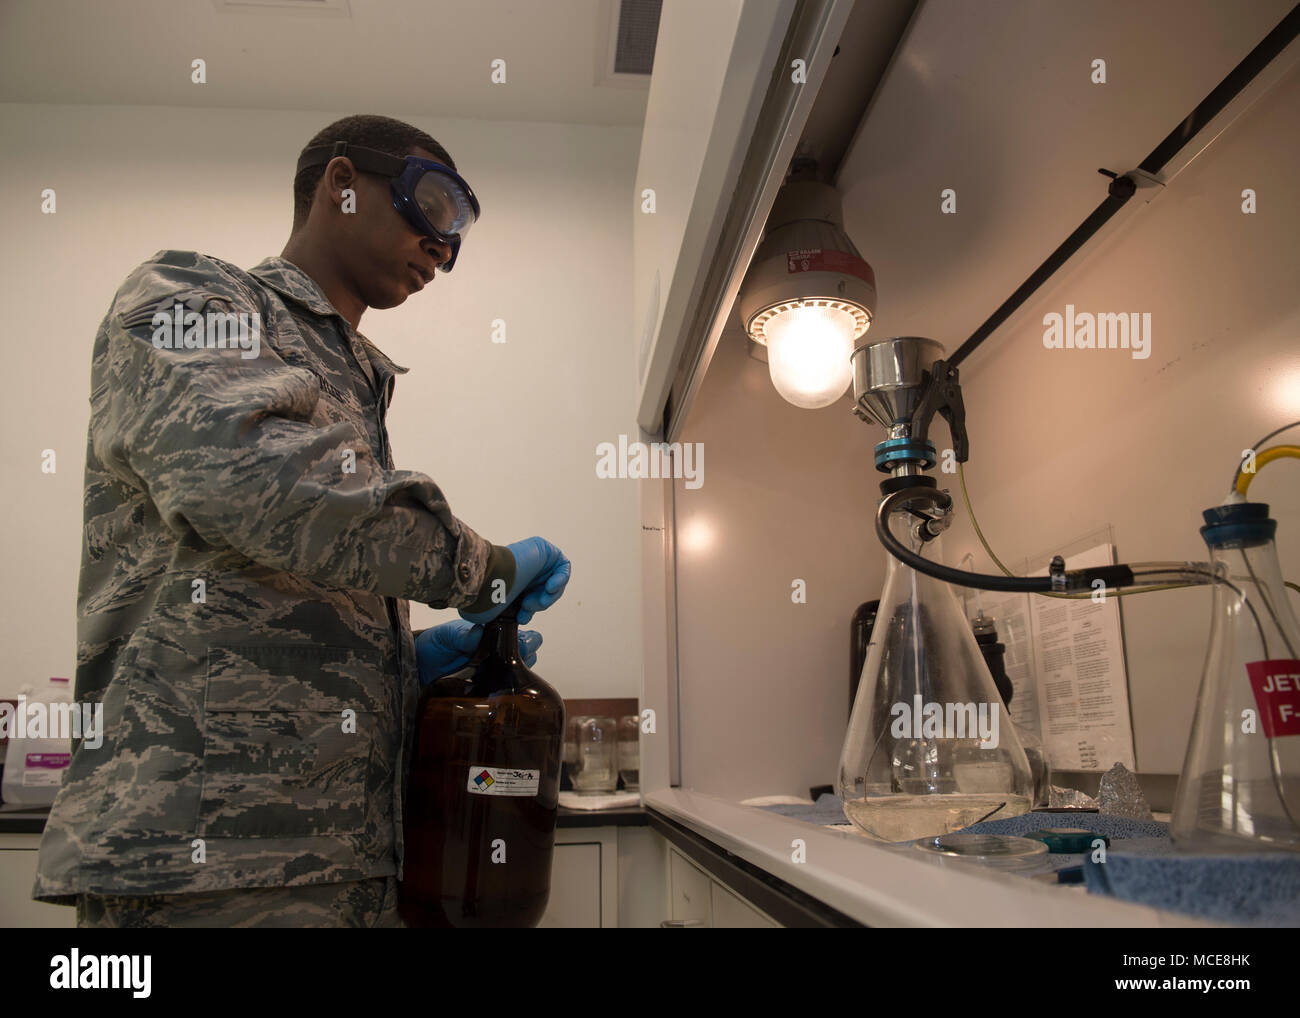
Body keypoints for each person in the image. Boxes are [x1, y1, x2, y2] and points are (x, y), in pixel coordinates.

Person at [32, 113, 571, 928]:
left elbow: (290, 566)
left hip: (344, 863)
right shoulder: (188, 294)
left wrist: (400, 666)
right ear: (341, 183)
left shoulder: (351, 377)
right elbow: (265, 488)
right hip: (205, 865)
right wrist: (484, 568)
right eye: (435, 206)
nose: (445, 249)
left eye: (461, 236)